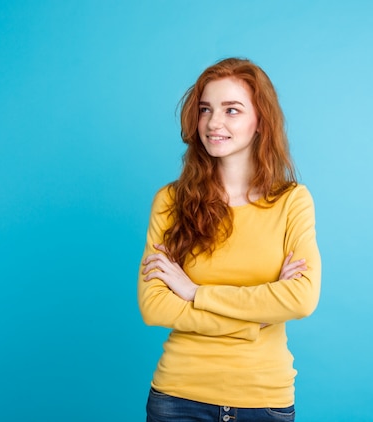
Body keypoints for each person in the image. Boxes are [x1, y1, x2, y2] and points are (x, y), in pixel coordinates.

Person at [137, 57, 321, 422]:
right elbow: (154, 306)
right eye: (205, 110)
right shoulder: (170, 202)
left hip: (263, 399)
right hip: (177, 397)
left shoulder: (292, 201)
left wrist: (195, 293)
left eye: (231, 110)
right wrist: (253, 320)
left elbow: (300, 298)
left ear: (260, 123)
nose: (213, 123)